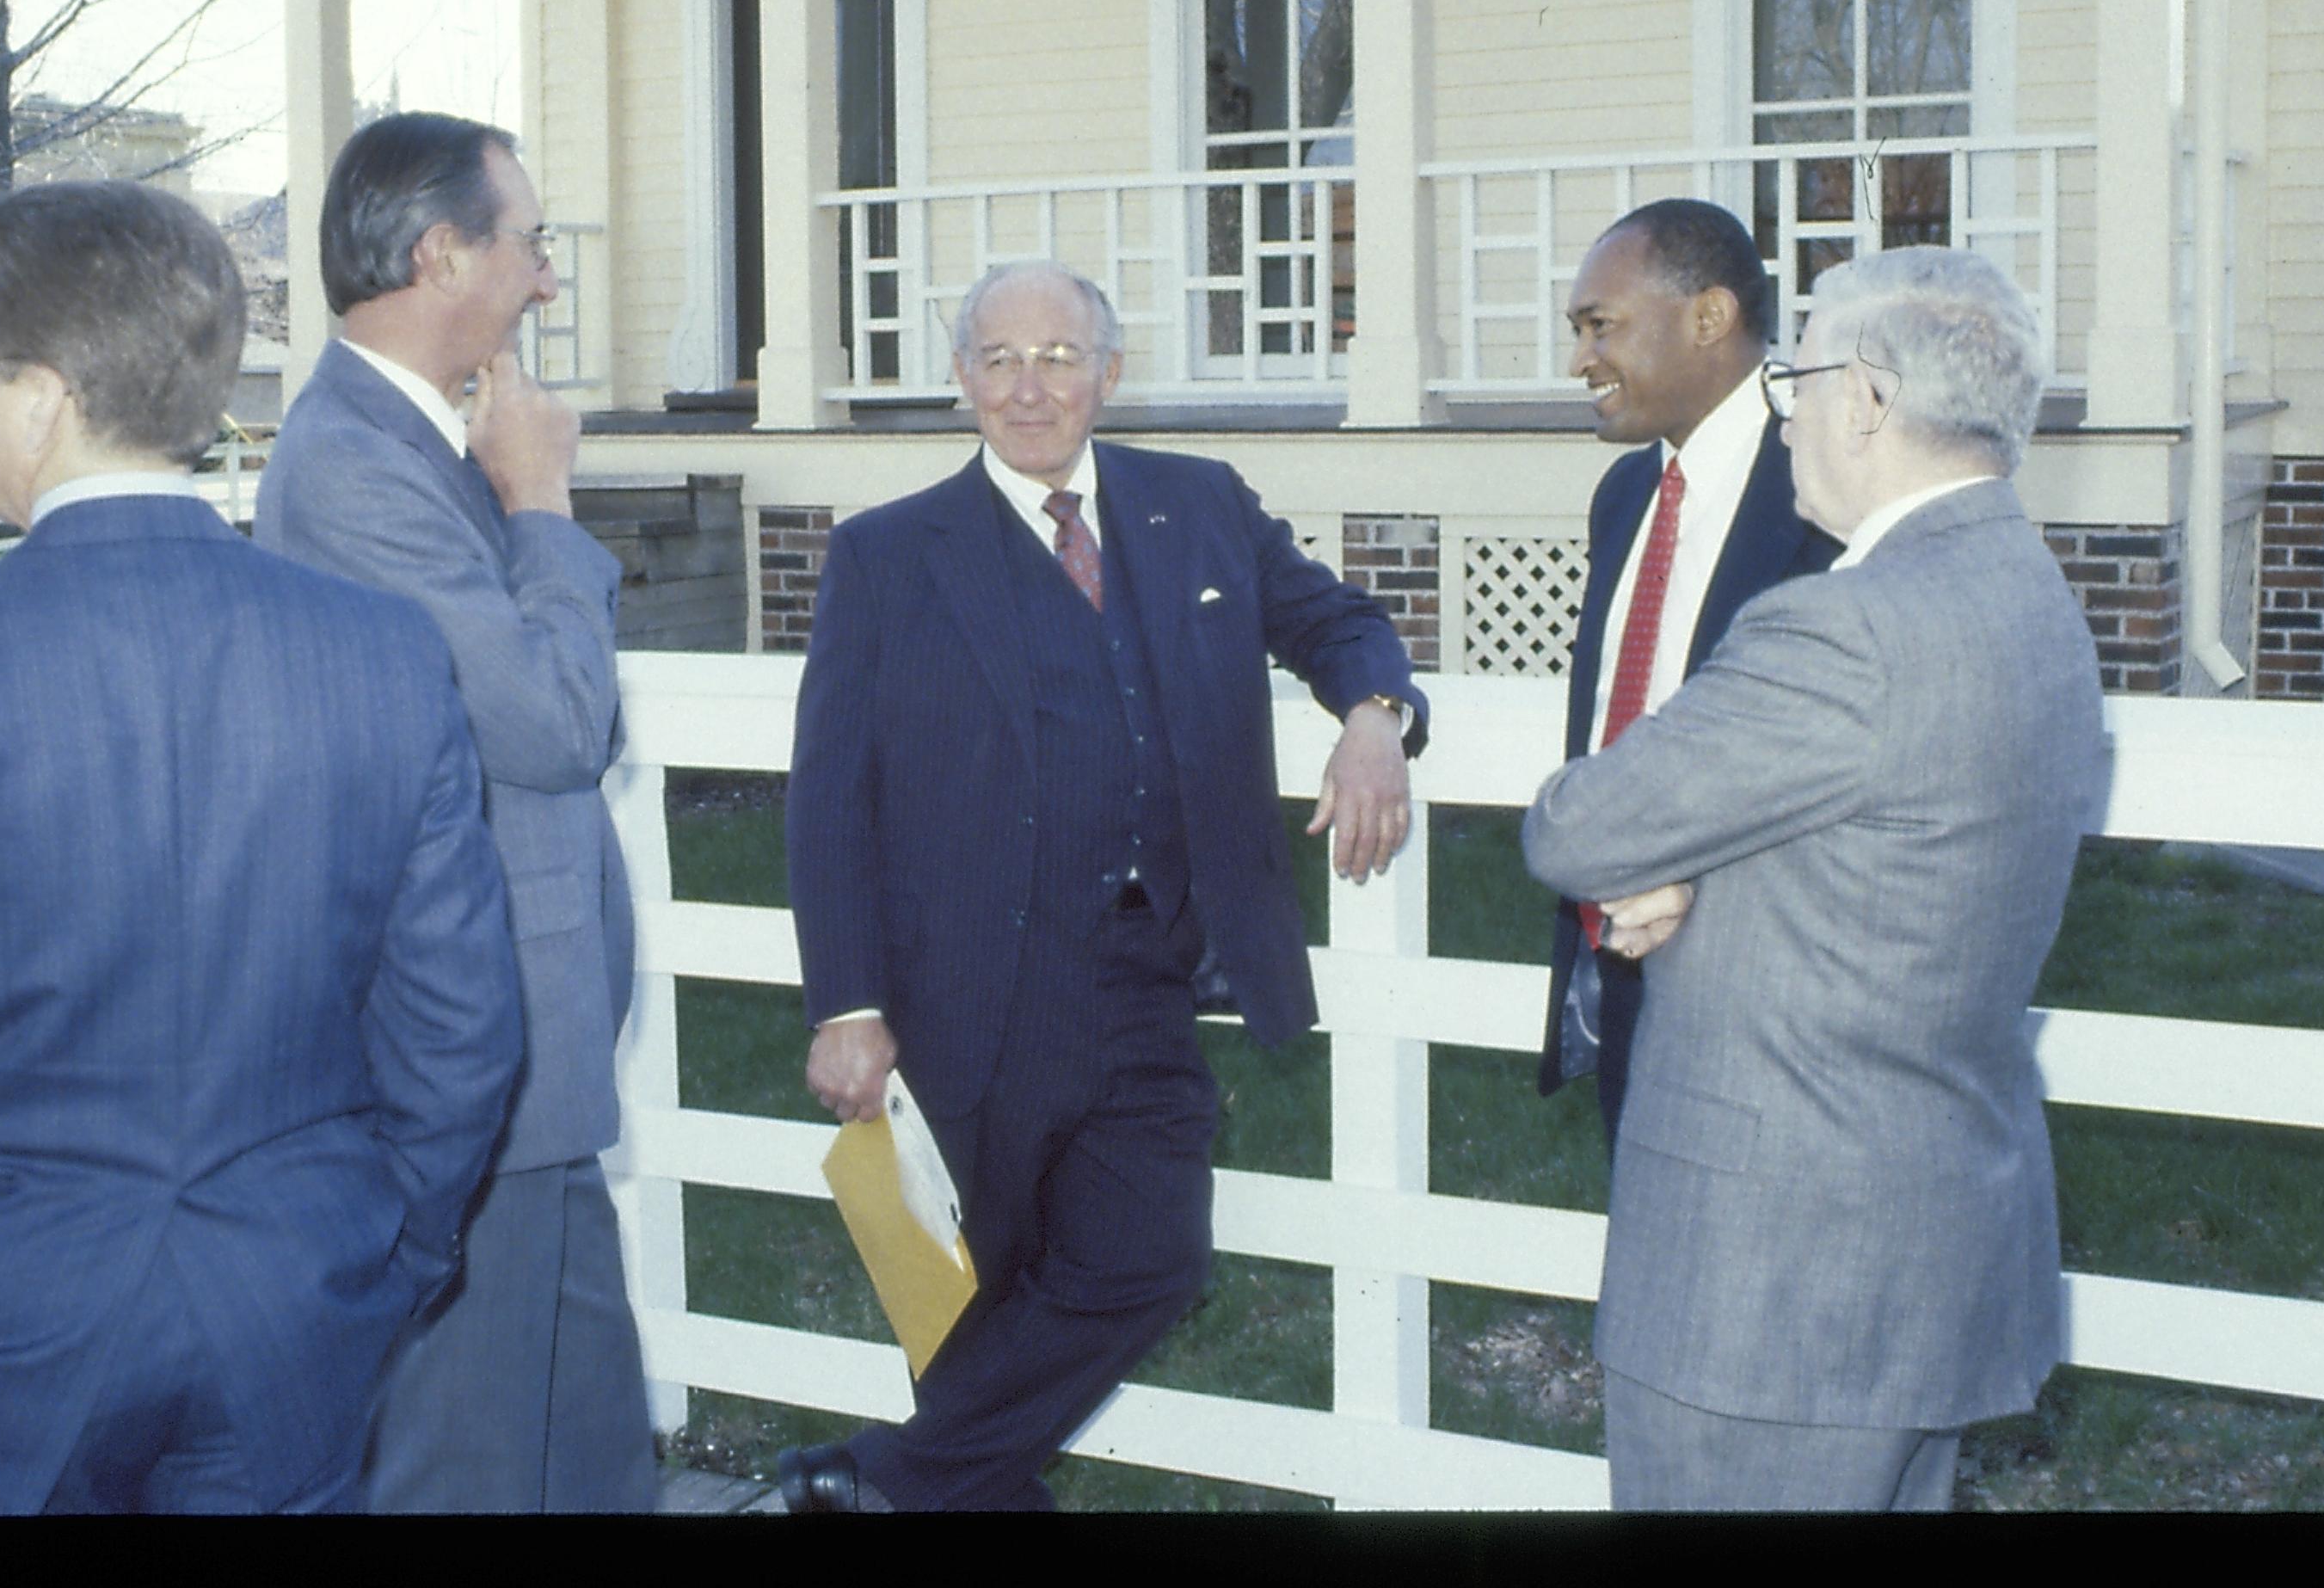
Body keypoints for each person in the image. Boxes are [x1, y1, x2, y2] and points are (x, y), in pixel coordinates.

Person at [0, 181, 521, 1513]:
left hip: (2, 1318)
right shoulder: (382, 653)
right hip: (296, 1295)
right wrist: (379, 1251)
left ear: (42, 392)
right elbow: (460, 1031)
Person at [778, 260, 1428, 1512]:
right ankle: (910, 1491)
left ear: (1109, 374)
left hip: (1147, 984)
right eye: (1002, 359)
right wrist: (844, 1002)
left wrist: (1377, 715)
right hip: (971, 995)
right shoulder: (885, 555)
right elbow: (828, 798)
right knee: (984, 1315)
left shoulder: (1201, 506)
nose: (1032, 387)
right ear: (962, 378)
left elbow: (1335, 621)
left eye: (1061, 357)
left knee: (1153, 1260)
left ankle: (869, 1486)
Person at [1522, 245, 2107, 1511]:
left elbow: (1576, 826)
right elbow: (1886, 853)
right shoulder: (2031, 596)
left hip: (1771, 1296)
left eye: (1798, 374)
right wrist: (1706, 866)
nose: (1781, 408)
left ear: (1873, 398)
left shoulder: (1843, 626)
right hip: (1926, 1251)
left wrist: (1673, 867)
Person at [254, 113, 655, 1512]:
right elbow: (550, 724)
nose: (548, 277)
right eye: (531, 242)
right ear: (441, 252)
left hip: (527, 1079)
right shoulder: (353, 469)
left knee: (592, 1456)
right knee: (470, 1467)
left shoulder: (429, 443)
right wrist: (541, 501)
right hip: (462, 1068)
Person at [1535, 200, 1836, 1147]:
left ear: (1708, 319)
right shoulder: (1626, 494)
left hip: (1770, 990)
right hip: (1622, 964)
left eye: (1600, 328)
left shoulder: (1823, 489)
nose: (1580, 361)